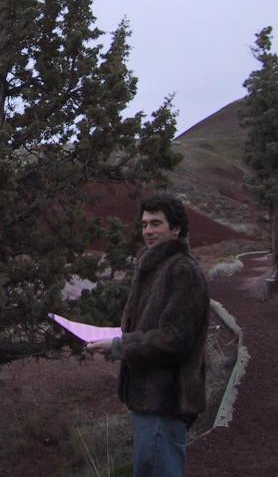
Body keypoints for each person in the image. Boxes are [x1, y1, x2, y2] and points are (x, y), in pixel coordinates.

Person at [87, 194, 209, 477]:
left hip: (165, 399)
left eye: (156, 223)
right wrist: (116, 341)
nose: (148, 231)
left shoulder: (182, 270)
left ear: (176, 228)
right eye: (144, 225)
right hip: (149, 397)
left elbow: (176, 339)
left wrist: (120, 346)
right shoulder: (157, 266)